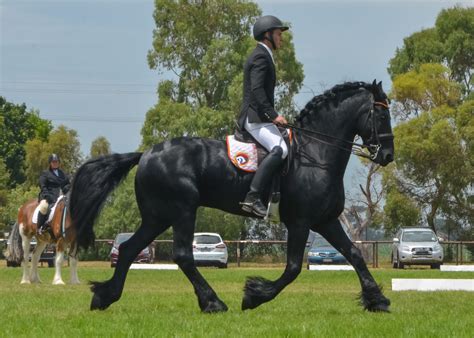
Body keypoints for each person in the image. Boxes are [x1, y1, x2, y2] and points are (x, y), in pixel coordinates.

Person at [238, 15, 289, 217]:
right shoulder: (261, 56)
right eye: (278, 34)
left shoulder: (264, 54)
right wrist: (273, 115)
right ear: (267, 35)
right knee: (281, 149)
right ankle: (252, 196)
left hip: (260, 118)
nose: (281, 38)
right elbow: (258, 90)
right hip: (255, 119)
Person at [37, 154, 71, 234]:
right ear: (50, 163)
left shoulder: (63, 173)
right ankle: (40, 227)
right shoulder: (45, 173)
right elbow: (43, 186)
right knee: (44, 207)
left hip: (61, 197)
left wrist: (68, 187)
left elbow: (67, 184)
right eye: (53, 162)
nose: (55, 163)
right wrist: (48, 196)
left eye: (57, 162)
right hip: (48, 197)